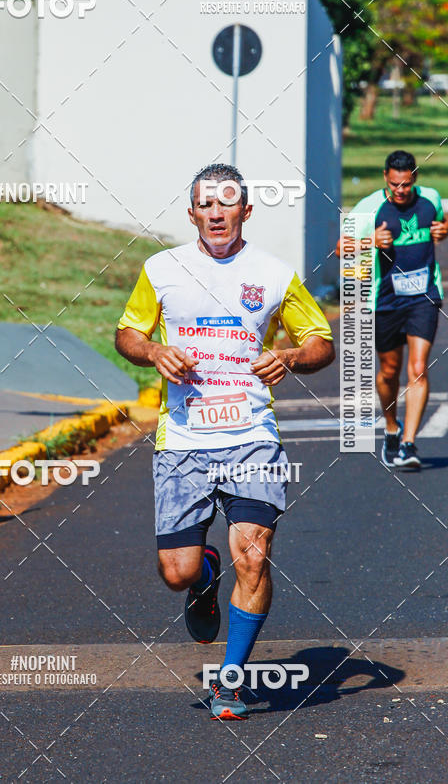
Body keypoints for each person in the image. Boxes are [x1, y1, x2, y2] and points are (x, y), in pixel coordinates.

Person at [115, 163, 335, 720]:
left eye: (227, 204)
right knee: (177, 572)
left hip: (252, 438)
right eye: (206, 206)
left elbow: (320, 342)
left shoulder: (274, 273)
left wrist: (287, 355)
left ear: (245, 212)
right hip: (184, 438)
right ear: (192, 213)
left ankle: (230, 682)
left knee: (255, 557)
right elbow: (128, 333)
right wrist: (151, 352)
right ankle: (205, 577)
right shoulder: (161, 269)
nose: (216, 214)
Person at [336, 150, 447, 470]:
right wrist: (369, 242)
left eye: (407, 184)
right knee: (388, 372)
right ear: (386, 177)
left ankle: (409, 444)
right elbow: (340, 247)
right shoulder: (370, 207)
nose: (401, 190)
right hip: (384, 299)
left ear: (415, 179)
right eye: (396, 184)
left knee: (417, 368)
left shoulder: (430, 197)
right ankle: (391, 428)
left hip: (424, 296)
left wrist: (443, 230)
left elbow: (441, 219)